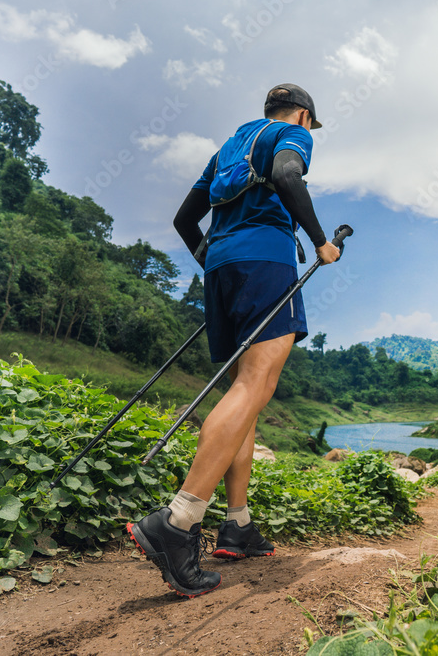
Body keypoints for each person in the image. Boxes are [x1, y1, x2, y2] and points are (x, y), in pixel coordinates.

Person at [127, 84, 340, 598]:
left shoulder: (228, 148)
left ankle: (238, 525)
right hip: (266, 262)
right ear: (305, 116)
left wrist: (213, 261)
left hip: (221, 268)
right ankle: (177, 522)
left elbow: (184, 220)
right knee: (255, 385)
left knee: (244, 393)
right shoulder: (291, 134)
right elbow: (289, 175)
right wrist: (320, 241)